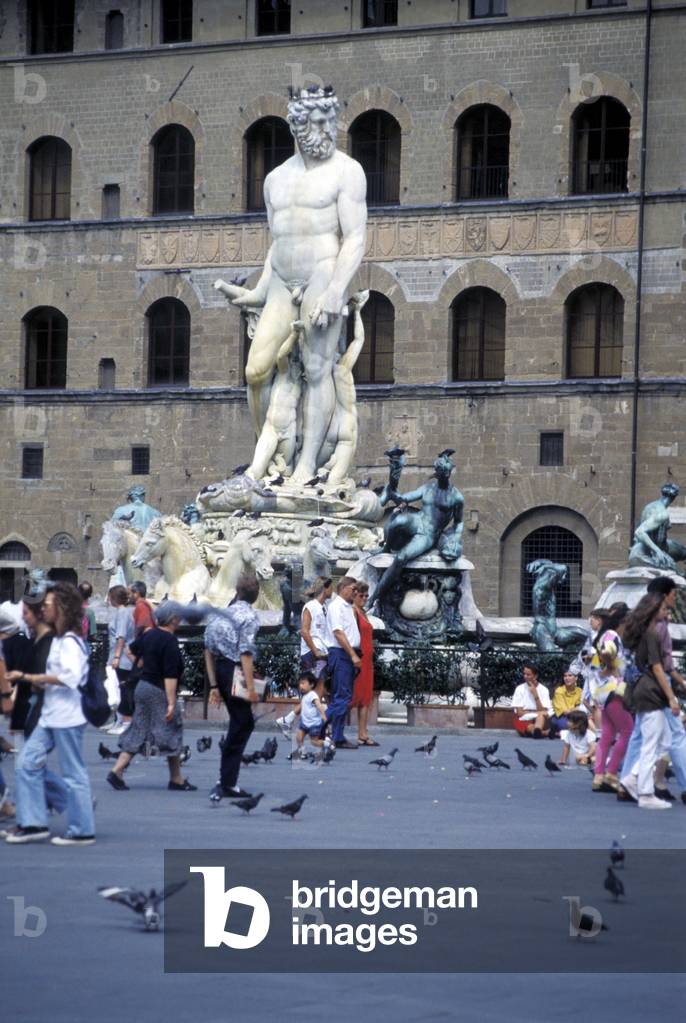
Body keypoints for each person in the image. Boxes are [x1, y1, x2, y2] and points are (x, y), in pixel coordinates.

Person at [215, 84, 367, 483]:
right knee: (256, 370)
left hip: (322, 273)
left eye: (331, 120)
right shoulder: (274, 180)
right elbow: (276, 244)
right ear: (298, 126)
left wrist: (336, 290)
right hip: (282, 281)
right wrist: (257, 292)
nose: (328, 129)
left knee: (317, 370)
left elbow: (354, 237)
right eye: (320, 121)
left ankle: (305, 466)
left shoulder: (347, 172)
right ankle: (271, 455)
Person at [7, 583, 96, 845]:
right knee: (26, 763)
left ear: (61, 608)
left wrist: (29, 677)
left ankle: (82, 830)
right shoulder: (60, 640)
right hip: (52, 715)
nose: (43, 608)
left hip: (67, 717)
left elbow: (69, 677)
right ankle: (34, 823)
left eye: (47, 604)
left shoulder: (69, 642)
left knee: (73, 774)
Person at [106, 603, 196, 793]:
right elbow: (170, 675)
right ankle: (176, 779)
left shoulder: (149, 635)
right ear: (173, 619)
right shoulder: (169, 640)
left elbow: (130, 650)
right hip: (158, 690)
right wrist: (171, 702)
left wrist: (145, 665)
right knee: (172, 728)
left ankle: (117, 770)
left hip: (143, 686)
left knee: (139, 728)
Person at [620, 577, 686, 804]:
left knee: (643, 736)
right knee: (672, 736)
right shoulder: (657, 628)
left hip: (640, 685)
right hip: (655, 687)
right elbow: (660, 666)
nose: (675, 598)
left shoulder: (641, 626)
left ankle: (629, 781)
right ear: (663, 597)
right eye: (674, 594)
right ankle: (641, 785)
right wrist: (672, 695)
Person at [204, 574, 261, 800]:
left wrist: (214, 686)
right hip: (236, 672)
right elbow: (245, 654)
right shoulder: (249, 617)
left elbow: (207, 650)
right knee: (242, 724)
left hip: (220, 669)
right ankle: (227, 781)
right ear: (255, 595)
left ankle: (226, 777)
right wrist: (251, 688)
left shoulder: (219, 614)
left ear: (237, 591)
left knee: (240, 723)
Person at [277, 576, 333, 739]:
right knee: (317, 692)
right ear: (325, 588)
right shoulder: (311, 606)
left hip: (319, 652)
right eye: (331, 588)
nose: (333, 591)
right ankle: (315, 729)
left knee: (316, 693)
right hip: (313, 653)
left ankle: (290, 720)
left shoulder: (322, 607)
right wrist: (316, 651)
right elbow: (304, 631)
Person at [588, 631, 634, 793]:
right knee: (628, 731)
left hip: (602, 692)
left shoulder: (599, 637)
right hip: (614, 690)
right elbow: (607, 652)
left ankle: (599, 775)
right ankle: (611, 772)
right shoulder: (612, 636)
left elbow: (590, 659)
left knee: (607, 733)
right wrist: (612, 668)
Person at [325, 576, 361, 750]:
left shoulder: (347, 607)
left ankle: (338, 736)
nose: (356, 592)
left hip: (346, 654)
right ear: (344, 588)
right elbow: (338, 633)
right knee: (341, 697)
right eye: (354, 589)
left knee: (343, 697)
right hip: (341, 654)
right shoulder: (336, 606)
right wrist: (353, 655)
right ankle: (316, 726)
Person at [349, 580, 378, 747]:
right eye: (361, 595)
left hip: (367, 660)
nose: (365, 598)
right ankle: (332, 730)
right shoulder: (353, 611)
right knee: (352, 695)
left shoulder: (362, 611)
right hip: (359, 659)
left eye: (367, 595)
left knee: (366, 696)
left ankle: (362, 733)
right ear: (355, 595)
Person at [106, 584, 136, 735]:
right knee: (121, 689)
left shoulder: (123, 613)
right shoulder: (123, 612)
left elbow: (121, 636)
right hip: (120, 655)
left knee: (125, 690)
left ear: (113, 598)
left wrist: (117, 656)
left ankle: (127, 721)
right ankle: (120, 720)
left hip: (123, 657)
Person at [512, 663, 552, 738]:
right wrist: (535, 712)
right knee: (528, 725)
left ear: (535, 676)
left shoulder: (544, 690)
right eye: (524, 674)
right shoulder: (520, 689)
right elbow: (520, 713)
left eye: (528, 675)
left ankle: (537, 731)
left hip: (538, 718)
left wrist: (535, 695)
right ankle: (543, 733)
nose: (525, 676)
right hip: (523, 718)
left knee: (541, 716)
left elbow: (544, 711)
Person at [294, 671, 328, 753]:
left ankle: (328, 744)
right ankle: (302, 751)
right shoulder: (305, 696)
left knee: (314, 742)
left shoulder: (312, 695)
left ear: (311, 685)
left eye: (303, 683)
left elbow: (319, 705)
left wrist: (323, 715)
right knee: (299, 737)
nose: (300, 686)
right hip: (304, 723)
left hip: (314, 724)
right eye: (300, 684)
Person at [78, 581, 97, 646]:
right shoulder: (90, 612)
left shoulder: (71, 609)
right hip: (83, 644)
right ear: (90, 594)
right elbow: (93, 635)